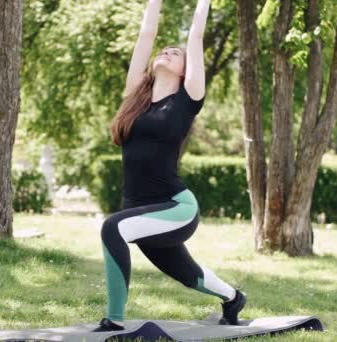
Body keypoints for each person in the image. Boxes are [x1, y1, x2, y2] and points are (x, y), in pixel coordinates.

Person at [92, 0, 246, 333]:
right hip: (140, 211)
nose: (166, 52)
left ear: (184, 70)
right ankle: (233, 298)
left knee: (112, 228)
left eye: (174, 53)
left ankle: (114, 320)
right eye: (163, 51)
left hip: (175, 208)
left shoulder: (187, 98)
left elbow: (196, 35)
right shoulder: (136, 96)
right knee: (188, 275)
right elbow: (146, 34)